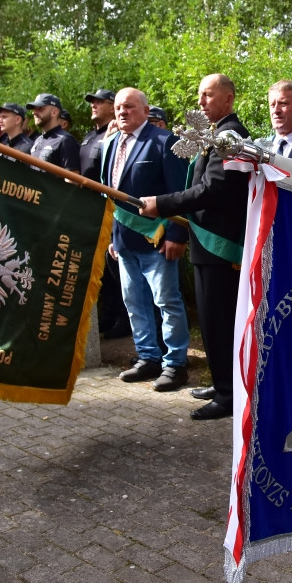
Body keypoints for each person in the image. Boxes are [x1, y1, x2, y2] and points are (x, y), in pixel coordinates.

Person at [139, 73, 250, 421]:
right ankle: (221, 385)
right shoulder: (217, 133)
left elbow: (213, 190)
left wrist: (163, 202)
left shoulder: (231, 136)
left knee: (220, 322)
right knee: (211, 321)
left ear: (228, 99)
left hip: (221, 247)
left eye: (208, 95)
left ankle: (230, 395)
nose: (200, 102)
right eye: (200, 95)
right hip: (207, 245)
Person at [100, 88, 191, 392]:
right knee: (134, 303)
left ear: (145, 110)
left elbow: (179, 193)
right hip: (124, 241)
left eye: (128, 106)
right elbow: (111, 194)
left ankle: (175, 364)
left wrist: (178, 235)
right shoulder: (112, 143)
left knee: (167, 302)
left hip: (158, 240)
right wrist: (113, 236)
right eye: (117, 108)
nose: (122, 112)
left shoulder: (165, 142)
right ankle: (147, 357)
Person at [79, 88, 130, 339]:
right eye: (92, 101)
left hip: (114, 211)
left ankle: (123, 321)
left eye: (100, 102)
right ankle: (109, 319)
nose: (94, 105)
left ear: (113, 107)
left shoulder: (119, 133)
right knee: (103, 270)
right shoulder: (90, 137)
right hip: (90, 211)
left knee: (117, 266)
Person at [25, 93, 80, 172]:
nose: (34, 113)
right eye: (34, 109)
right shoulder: (37, 141)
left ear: (54, 112)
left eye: (40, 109)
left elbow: (72, 180)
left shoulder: (65, 140)